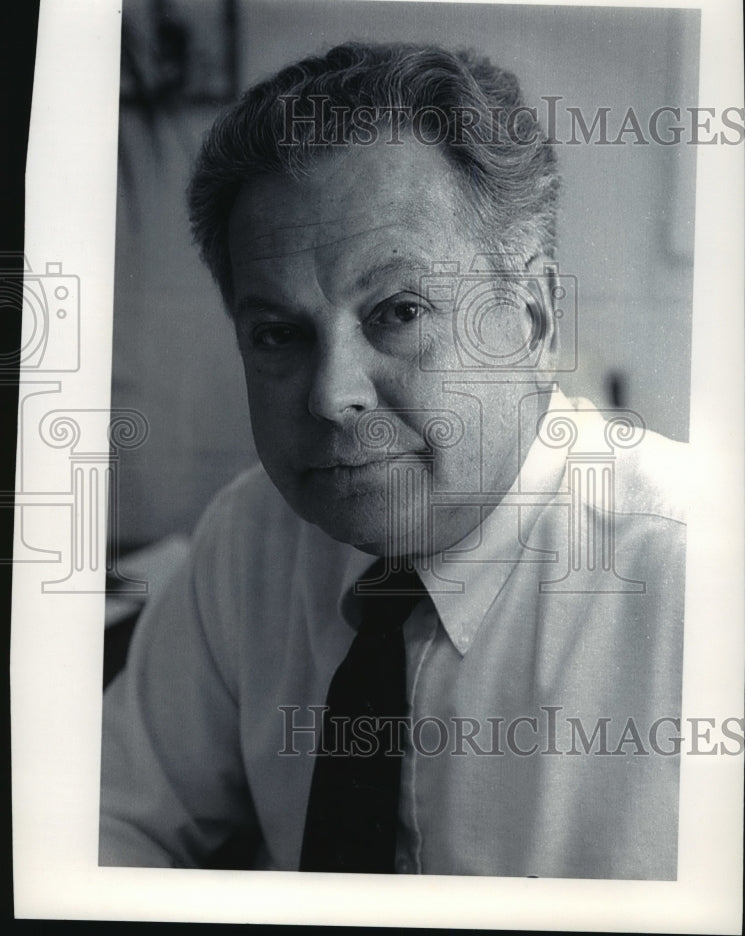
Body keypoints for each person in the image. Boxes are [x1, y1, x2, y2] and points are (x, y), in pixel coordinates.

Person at [99, 42, 686, 878]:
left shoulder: (700, 576)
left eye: (398, 312)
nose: (330, 395)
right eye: (277, 334)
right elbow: (111, 823)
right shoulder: (250, 538)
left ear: (534, 317)